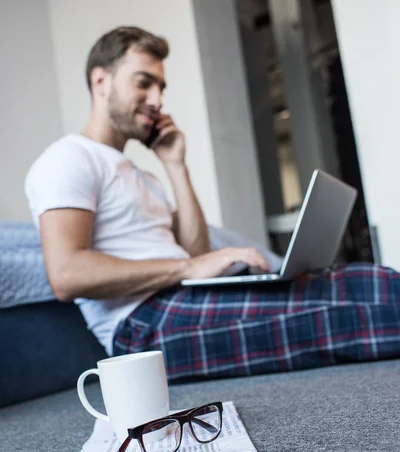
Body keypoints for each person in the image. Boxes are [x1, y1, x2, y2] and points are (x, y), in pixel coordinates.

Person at [25, 26, 400, 383]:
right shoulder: (69, 158)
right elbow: (67, 274)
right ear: (100, 81)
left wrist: (175, 165)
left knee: (364, 280)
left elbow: (198, 254)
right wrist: (186, 267)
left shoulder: (142, 175)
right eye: (143, 82)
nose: (157, 100)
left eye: (160, 87)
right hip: (143, 326)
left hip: (182, 299)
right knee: (358, 304)